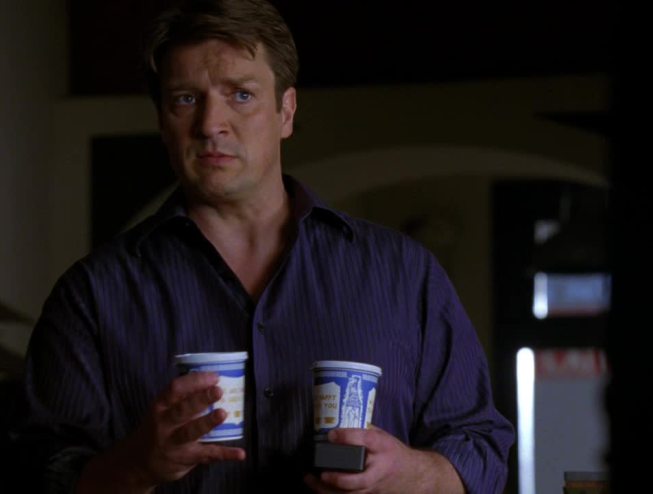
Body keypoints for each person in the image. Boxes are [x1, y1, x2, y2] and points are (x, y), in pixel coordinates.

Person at [9, 0, 514, 492]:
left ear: (286, 111)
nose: (211, 124)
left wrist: (409, 474)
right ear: (162, 120)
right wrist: (135, 466)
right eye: (185, 99)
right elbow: (38, 471)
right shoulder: (91, 295)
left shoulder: (403, 273)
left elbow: (482, 450)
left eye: (241, 94)